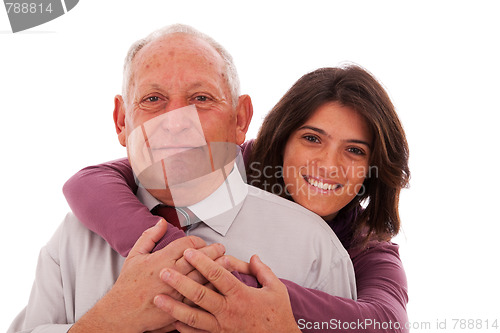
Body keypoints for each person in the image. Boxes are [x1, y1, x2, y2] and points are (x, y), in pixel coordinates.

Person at [8, 25, 357, 333]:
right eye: (153, 99)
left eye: (201, 99)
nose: (175, 121)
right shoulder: (72, 240)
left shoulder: (315, 249)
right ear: (121, 122)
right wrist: (109, 322)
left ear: (240, 119)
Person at [61, 65, 410, 332]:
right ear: (283, 136)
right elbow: (91, 182)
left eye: (354, 150)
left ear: (373, 167)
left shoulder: (368, 247)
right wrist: (178, 254)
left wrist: (263, 304)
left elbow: (387, 323)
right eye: (312, 139)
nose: (328, 165)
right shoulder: (234, 162)